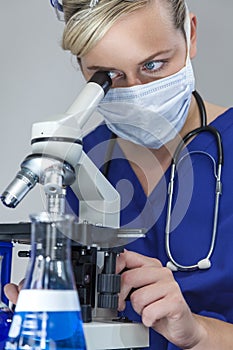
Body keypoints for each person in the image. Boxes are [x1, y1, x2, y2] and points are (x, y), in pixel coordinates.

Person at [5, 0, 233, 349]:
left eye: (154, 64)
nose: (135, 90)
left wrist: (198, 333)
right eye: (108, 76)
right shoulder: (81, 162)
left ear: (191, 34)